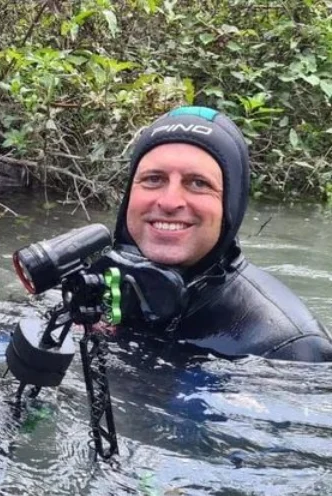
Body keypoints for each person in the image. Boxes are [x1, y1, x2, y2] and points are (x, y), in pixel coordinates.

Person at [101, 106, 332, 362]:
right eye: (154, 179)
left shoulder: (292, 349)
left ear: (231, 204)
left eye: (198, 183)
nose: (169, 202)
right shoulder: (95, 287)